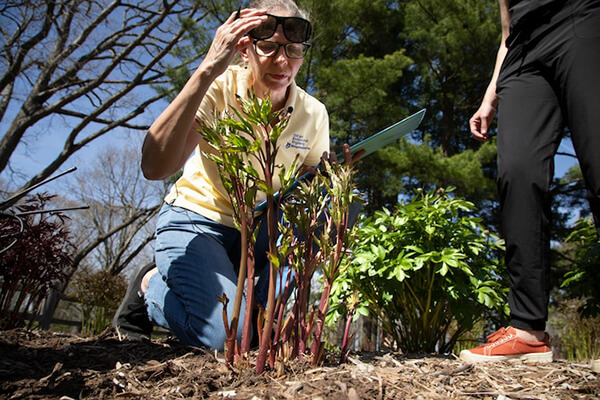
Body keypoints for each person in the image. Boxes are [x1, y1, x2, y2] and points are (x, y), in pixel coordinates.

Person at [113, 0, 336, 350]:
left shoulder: (314, 113)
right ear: (244, 50)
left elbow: (306, 193)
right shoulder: (217, 88)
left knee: (331, 203)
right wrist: (206, 70)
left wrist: (326, 179)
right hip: (198, 221)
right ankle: (150, 285)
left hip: (259, 227)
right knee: (225, 339)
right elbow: (154, 167)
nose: (283, 62)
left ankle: (261, 318)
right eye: (268, 48)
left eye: (293, 50)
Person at [461, 0, 600, 364]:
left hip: (581, 15)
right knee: (517, 172)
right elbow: (507, 33)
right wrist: (489, 97)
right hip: (522, 51)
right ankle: (527, 332)